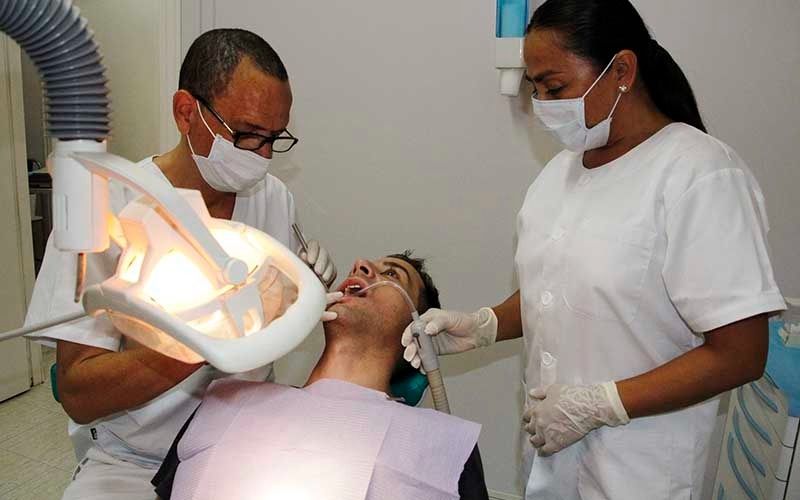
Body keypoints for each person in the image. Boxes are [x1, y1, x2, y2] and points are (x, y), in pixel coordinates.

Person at [402, 1, 785, 498]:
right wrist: (485, 325)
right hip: (551, 466)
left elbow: (741, 354)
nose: (542, 105)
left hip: (638, 473)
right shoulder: (557, 177)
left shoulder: (700, 175)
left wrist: (601, 404)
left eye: (554, 87)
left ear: (622, 70)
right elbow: (559, 291)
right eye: (535, 88)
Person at [25, 29, 337, 500]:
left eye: (276, 138)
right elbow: (79, 393)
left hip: (245, 444)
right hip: (135, 461)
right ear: (186, 112)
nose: (264, 157)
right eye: (248, 134)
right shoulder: (107, 210)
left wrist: (298, 293)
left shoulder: (273, 200)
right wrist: (207, 340)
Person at [151, 253, 489, 500]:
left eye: (393, 275)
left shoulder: (443, 444)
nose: (360, 266)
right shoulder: (226, 402)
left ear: (418, 329)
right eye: (360, 268)